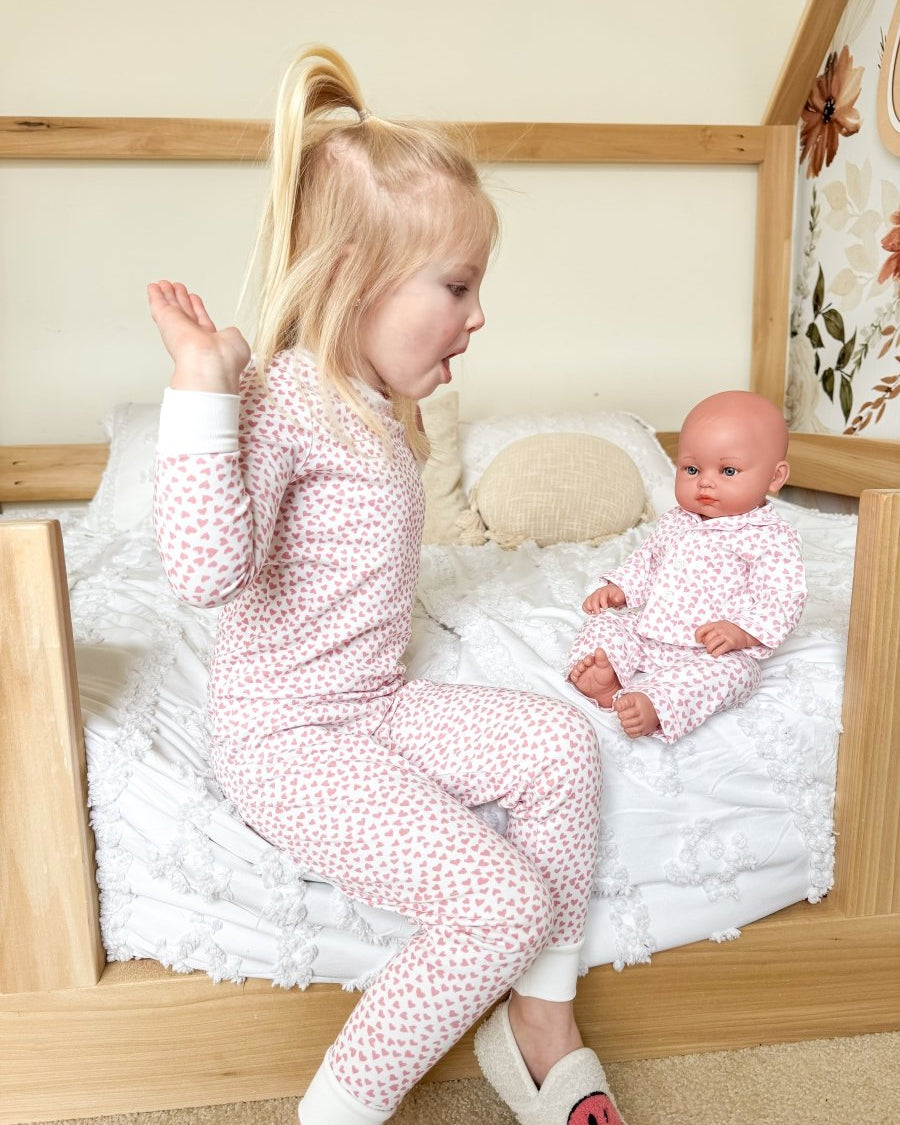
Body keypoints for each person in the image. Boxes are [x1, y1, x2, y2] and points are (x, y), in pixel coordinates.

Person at [149, 46, 626, 1125]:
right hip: (290, 738)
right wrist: (200, 394)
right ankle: (338, 1113)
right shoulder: (278, 400)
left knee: (558, 744)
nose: (479, 315)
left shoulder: (370, 402)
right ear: (354, 279)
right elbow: (204, 569)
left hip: (373, 704)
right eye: (457, 287)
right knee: (497, 902)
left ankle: (540, 1028)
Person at [567, 390, 807, 743]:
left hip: (710, 651)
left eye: (728, 470)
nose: (705, 482)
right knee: (607, 625)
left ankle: (655, 704)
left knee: (737, 676)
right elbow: (648, 559)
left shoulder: (770, 537)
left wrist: (741, 631)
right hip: (651, 631)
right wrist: (620, 588)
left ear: (774, 477)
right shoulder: (677, 520)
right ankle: (605, 674)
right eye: (692, 469)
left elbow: (783, 597)